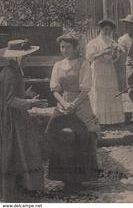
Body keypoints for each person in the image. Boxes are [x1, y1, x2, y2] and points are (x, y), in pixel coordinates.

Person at [48, 33, 100, 191]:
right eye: (62, 47)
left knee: (84, 135)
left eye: (68, 47)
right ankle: (64, 177)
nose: (65, 50)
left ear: (76, 48)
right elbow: (55, 89)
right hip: (63, 103)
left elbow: (85, 89)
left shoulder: (84, 63)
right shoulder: (58, 65)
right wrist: (64, 103)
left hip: (81, 103)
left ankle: (81, 177)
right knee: (60, 135)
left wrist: (74, 104)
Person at [0, 39, 47, 201]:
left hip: (18, 117)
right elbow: (9, 100)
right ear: (17, 58)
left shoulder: (14, 71)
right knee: (17, 152)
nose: (28, 60)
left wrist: (26, 95)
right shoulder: (10, 73)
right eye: (26, 57)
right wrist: (30, 102)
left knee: (23, 153)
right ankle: (16, 194)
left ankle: (23, 191)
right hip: (12, 120)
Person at [86, 19, 125, 125]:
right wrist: (102, 53)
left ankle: (113, 120)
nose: (107, 32)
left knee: (111, 93)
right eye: (106, 30)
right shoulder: (93, 42)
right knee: (99, 93)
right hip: (98, 69)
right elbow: (89, 57)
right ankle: (99, 120)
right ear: (100, 29)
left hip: (109, 69)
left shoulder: (112, 42)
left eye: (110, 30)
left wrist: (115, 54)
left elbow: (114, 58)